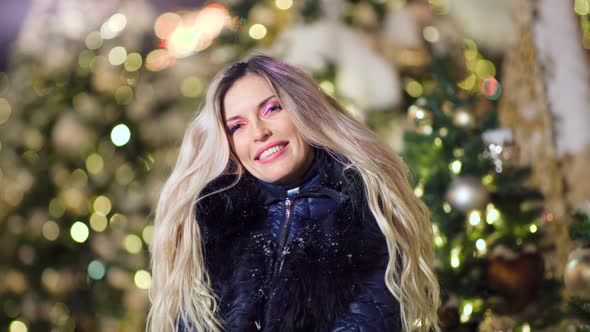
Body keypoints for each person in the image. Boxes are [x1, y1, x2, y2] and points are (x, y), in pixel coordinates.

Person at [147, 54, 441, 332]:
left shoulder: (368, 211)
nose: (259, 132)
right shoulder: (211, 227)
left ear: (304, 110)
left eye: (271, 109)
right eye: (237, 126)